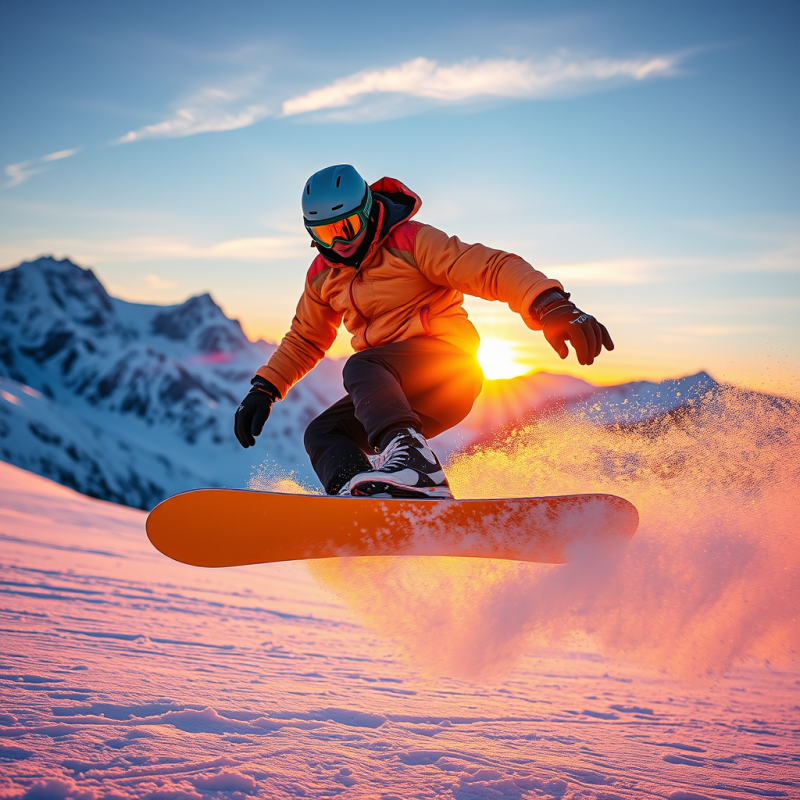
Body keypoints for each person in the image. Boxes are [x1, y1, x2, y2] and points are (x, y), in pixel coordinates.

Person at [235, 165, 613, 499]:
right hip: (393, 393)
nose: (338, 243)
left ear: (366, 212)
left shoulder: (412, 242)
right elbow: (305, 338)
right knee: (323, 433)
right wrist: (265, 389)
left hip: (447, 369)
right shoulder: (323, 275)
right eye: (324, 232)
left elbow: (488, 267)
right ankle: (363, 498)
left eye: (346, 227)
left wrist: (550, 304)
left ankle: (417, 466)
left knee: (361, 365)